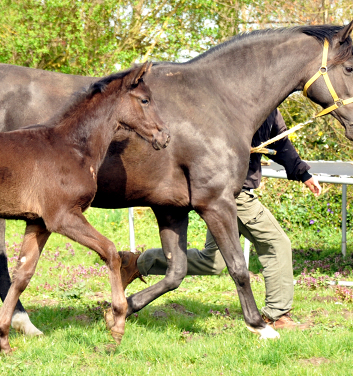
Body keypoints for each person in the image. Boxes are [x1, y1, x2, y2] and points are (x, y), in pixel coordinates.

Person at [119, 109, 321, 329]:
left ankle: (135, 263)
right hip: (232, 192)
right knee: (276, 243)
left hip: (225, 193)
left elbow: (280, 142)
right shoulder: (237, 98)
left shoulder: (271, 106)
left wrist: (303, 173)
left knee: (212, 261)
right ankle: (277, 315)